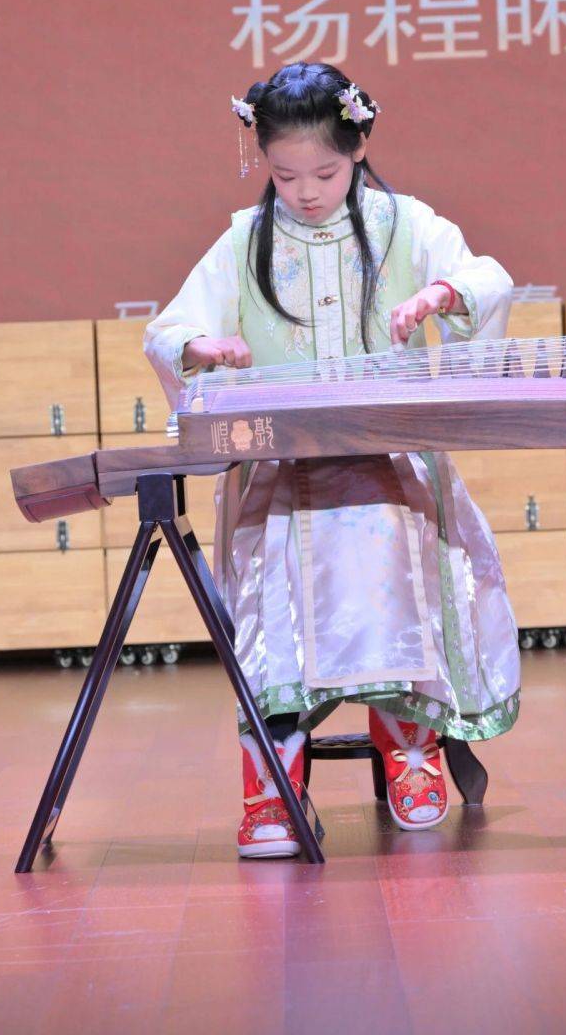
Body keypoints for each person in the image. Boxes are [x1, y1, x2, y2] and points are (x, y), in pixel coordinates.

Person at [144, 61, 520, 858]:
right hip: (282, 469)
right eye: (285, 177)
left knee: (391, 544)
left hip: (391, 460)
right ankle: (274, 787)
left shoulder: (402, 223)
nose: (307, 192)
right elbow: (169, 329)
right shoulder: (245, 239)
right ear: (263, 161)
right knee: (277, 583)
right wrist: (200, 347)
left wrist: (442, 295)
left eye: (325, 173)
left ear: (359, 149)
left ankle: (409, 747)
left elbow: (485, 276)